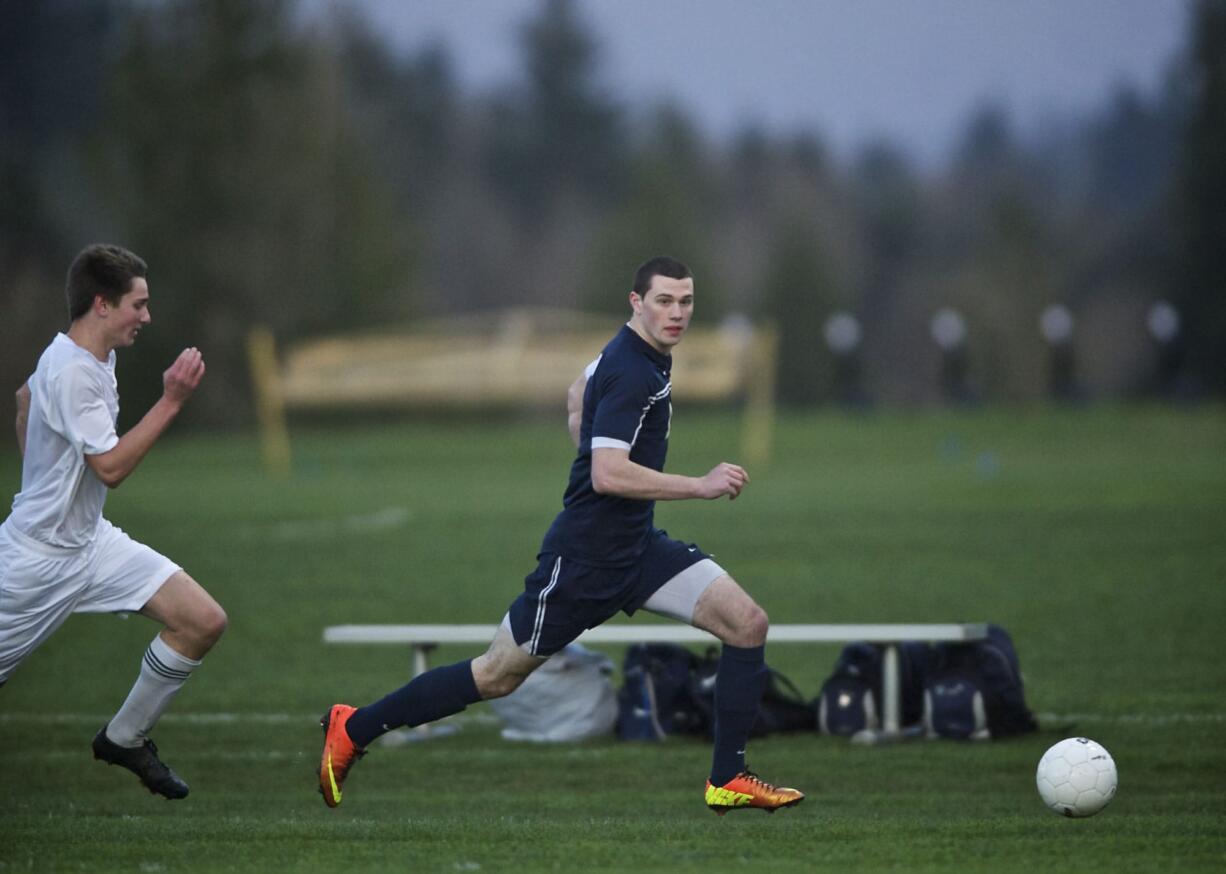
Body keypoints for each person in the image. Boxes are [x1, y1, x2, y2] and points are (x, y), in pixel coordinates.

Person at [318, 256, 803, 815]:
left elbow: (577, 394)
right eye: (664, 301)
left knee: (747, 623)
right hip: (584, 561)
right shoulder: (633, 370)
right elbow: (607, 474)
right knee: (496, 675)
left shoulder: (632, 355)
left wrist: (591, 435)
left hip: (637, 548)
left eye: (686, 301)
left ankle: (728, 779)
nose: (677, 313)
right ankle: (353, 728)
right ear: (636, 302)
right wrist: (701, 484)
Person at [1, 244, 227, 799]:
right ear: (102, 304)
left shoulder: (86, 356)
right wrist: (171, 401)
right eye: (138, 304)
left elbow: (25, 399)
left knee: (202, 620)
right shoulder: (75, 370)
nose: (146, 317)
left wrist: (43, 484)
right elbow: (111, 468)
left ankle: (124, 738)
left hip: (91, 545)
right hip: (35, 564)